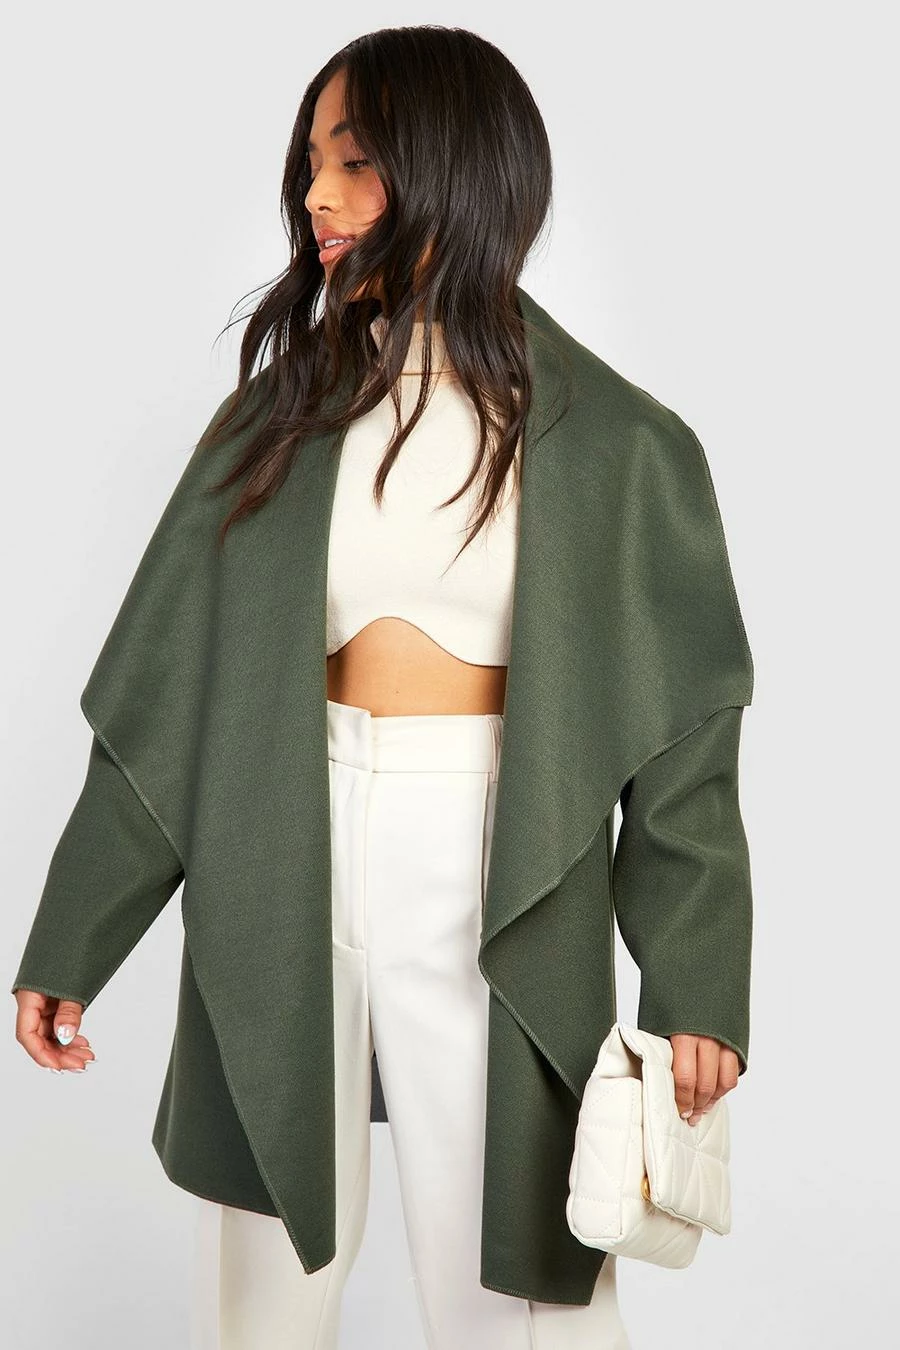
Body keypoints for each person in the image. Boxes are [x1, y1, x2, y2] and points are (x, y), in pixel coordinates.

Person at [10, 25, 755, 1350]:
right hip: (281, 837)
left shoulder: (619, 445)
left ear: (457, 169)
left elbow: (683, 750)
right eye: (312, 162)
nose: (317, 195)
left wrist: (696, 984)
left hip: (495, 853)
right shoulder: (275, 424)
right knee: (263, 1276)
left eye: (355, 161)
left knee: (515, 1276)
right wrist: (73, 939)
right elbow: (168, 711)